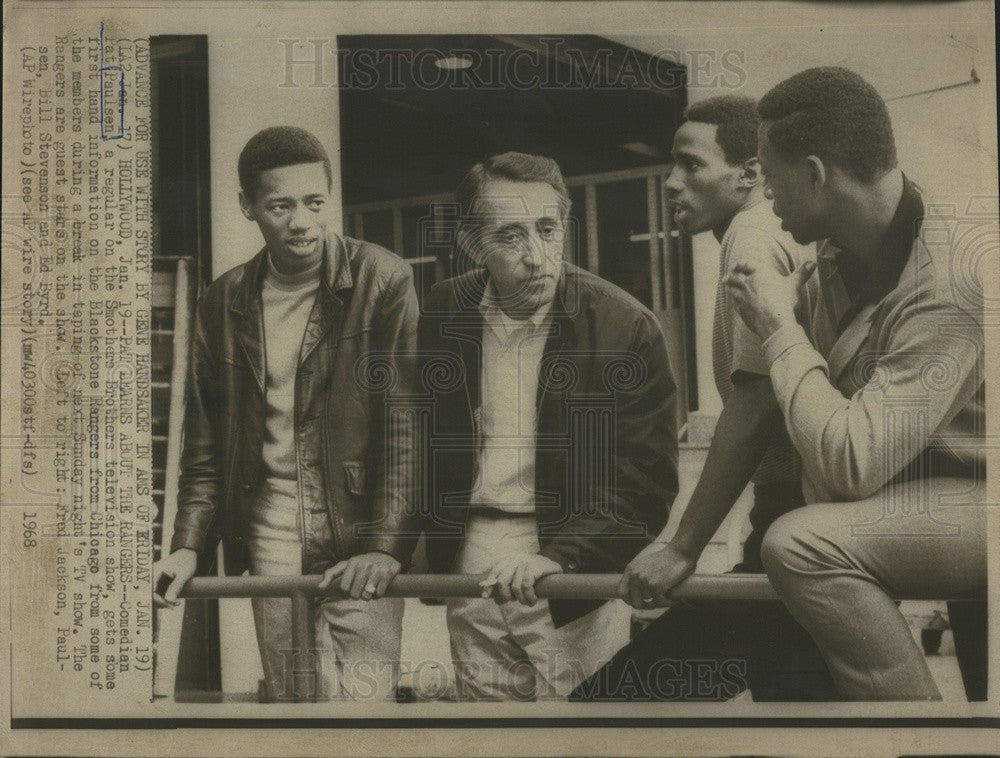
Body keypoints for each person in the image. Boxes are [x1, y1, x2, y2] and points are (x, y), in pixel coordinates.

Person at [725, 67, 986, 700]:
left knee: (801, 546)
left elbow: (847, 461)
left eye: (767, 173)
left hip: (982, 498)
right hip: (930, 497)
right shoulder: (835, 261)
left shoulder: (951, 276)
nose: (763, 197)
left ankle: (915, 738)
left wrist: (780, 327)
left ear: (814, 173)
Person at [573, 96, 837, 702]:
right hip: (794, 525)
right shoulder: (768, 234)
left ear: (750, 174)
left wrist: (681, 548)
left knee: (611, 705)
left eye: (691, 165)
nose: (672, 182)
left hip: (794, 525)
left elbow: (755, 406)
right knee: (796, 717)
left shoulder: (751, 238)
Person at [152, 126, 420, 701]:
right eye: (280, 205)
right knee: (293, 709)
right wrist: (186, 544)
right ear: (248, 207)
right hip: (269, 533)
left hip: (360, 533)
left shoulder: (385, 279)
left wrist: (384, 546)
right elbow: (204, 444)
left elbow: (405, 428)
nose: (301, 221)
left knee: (367, 715)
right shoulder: (222, 301)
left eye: (314, 202)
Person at [418, 152, 678, 700]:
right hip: (472, 556)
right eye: (511, 235)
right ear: (471, 243)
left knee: (587, 732)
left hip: (571, 561)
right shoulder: (444, 310)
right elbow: (417, 440)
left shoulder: (623, 325)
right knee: (488, 742)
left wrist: (561, 558)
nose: (537, 256)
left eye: (547, 229)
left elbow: (644, 481)